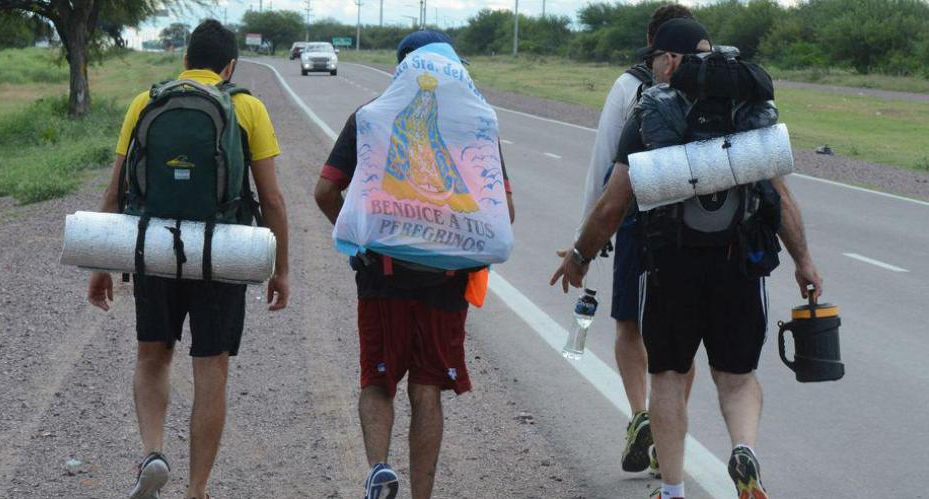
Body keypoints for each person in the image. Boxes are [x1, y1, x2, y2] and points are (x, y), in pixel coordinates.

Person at [552, 18, 822, 499]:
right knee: (737, 378)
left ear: (672, 59)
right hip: (739, 263)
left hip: (670, 264)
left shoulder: (652, 110)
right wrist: (804, 261)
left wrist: (579, 255)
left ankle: (673, 490)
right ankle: (744, 450)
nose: (654, 66)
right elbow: (780, 197)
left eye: (656, 58)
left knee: (668, 377)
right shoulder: (746, 108)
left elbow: (613, 203)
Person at [86, 19, 290, 499]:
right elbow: (273, 199)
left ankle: (154, 452)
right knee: (211, 368)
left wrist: (100, 265)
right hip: (222, 253)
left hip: (156, 248)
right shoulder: (247, 107)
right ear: (230, 66)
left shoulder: (146, 101)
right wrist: (280, 269)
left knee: (152, 356)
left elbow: (115, 191)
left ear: (184, 60)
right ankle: (197, 489)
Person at [314, 30, 515, 499]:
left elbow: (325, 191)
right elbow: (503, 211)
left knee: (377, 381)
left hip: (382, 276)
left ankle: (379, 470)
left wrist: (363, 238)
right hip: (446, 283)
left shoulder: (369, 117)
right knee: (426, 390)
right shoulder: (477, 123)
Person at [577, 3, 697, 476]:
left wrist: (584, 239)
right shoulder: (711, 87)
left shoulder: (629, 86)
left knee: (629, 324)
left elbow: (603, 164)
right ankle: (669, 440)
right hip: (693, 228)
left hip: (635, 221)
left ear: (651, 42)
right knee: (682, 336)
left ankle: (641, 415)